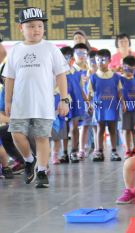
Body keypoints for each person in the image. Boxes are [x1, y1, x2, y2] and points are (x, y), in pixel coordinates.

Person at [3, 7, 69, 188]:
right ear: (21, 28)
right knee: (16, 135)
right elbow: (9, 78)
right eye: (31, 26)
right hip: (19, 104)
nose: (36, 30)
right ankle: (29, 160)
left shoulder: (51, 49)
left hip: (43, 104)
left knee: (41, 137)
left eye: (40, 26)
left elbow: (61, 75)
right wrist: (7, 101)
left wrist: (64, 99)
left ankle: (41, 171)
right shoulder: (15, 50)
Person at [88, 49, 121, 162]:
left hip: (112, 106)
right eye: (97, 60)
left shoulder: (116, 76)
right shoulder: (93, 77)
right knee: (100, 128)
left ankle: (114, 151)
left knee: (113, 129)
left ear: (109, 61)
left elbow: (120, 91)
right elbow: (90, 93)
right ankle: (99, 151)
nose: (100, 62)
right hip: (99, 106)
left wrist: (123, 104)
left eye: (103, 60)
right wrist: (89, 105)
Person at [119, 55, 135, 158]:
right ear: (123, 67)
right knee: (126, 129)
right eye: (128, 68)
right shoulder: (120, 78)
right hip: (126, 108)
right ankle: (127, 149)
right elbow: (119, 93)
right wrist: (123, 104)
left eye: (133, 68)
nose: (130, 71)